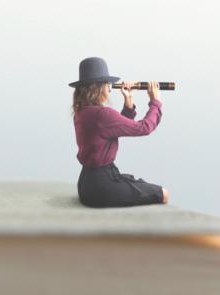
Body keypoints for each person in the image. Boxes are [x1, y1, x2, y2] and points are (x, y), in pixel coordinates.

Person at [69, 57, 169, 208]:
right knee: (163, 193)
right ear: (98, 87)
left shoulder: (81, 113)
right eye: (107, 84)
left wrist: (128, 104)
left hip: (86, 185)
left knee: (137, 182)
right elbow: (144, 128)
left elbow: (113, 130)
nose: (110, 88)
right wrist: (155, 101)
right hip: (102, 186)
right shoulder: (103, 114)